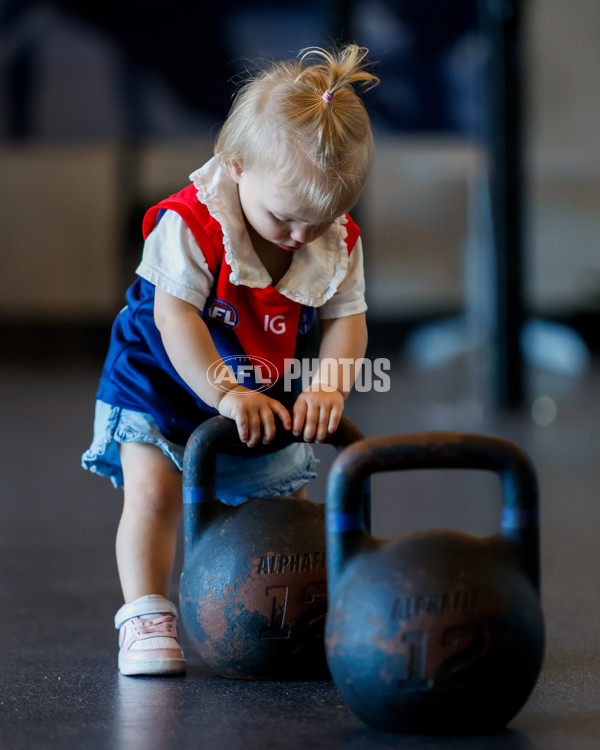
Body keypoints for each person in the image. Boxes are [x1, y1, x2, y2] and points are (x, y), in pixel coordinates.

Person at [82, 44, 379, 676]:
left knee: (272, 506)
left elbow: (345, 321)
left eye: (320, 219)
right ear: (236, 166)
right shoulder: (190, 224)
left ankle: (286, 608)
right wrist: (223, 392)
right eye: (285, 219)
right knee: (155, 493)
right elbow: (174, 318)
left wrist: (328, 387)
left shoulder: (333, 236)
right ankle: (145, 613)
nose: (301, 237)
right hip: (163, 379)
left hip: (263, 383)